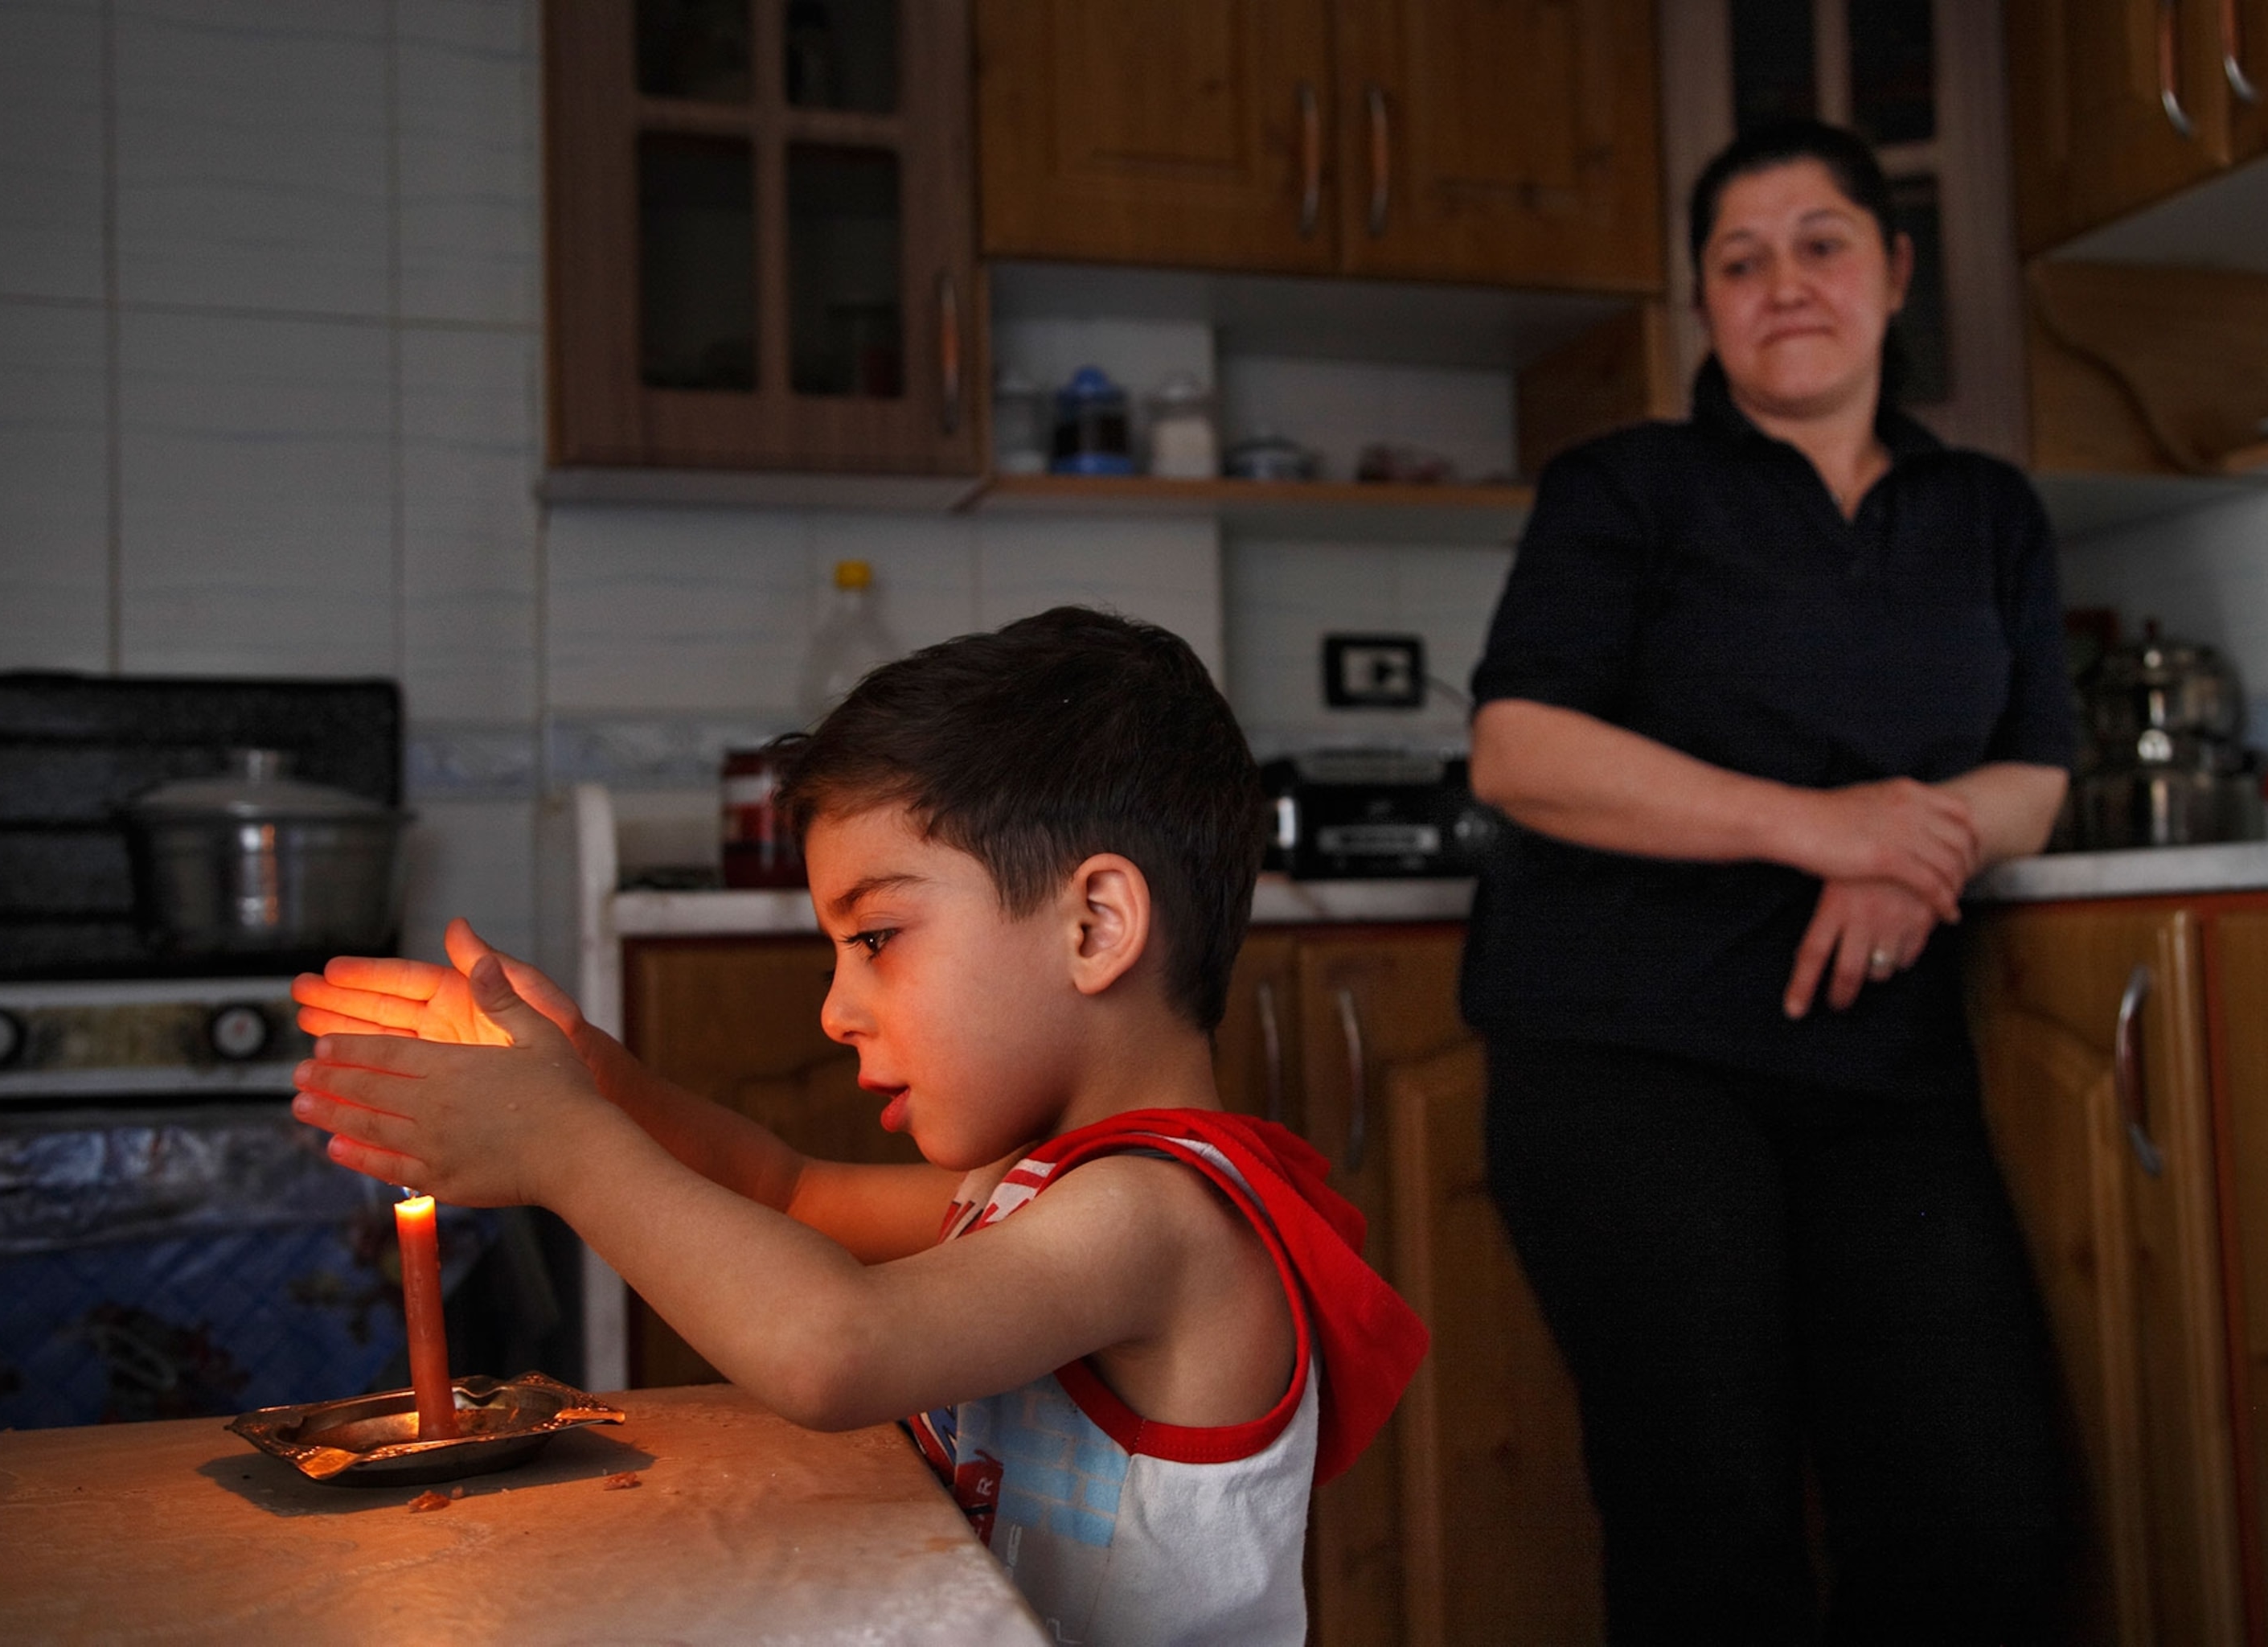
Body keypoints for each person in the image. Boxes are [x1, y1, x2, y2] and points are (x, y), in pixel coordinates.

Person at [287, 607, 1426, 1646]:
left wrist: (563, 1145)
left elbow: (834, 1349)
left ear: (1095, 925)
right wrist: (588, 1072)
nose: (836, 1010)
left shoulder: (1159, 1215)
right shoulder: (1037, 1186)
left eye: (875, 937)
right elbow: (783, 1189)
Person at [1463, 119, 2077, 1644]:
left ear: (1895, 271)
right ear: (1703, 306)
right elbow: (1520, 749)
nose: (1783, 283)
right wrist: (1821, 828)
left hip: (1885, 1071)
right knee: (1710, 1522)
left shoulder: (1990, 511)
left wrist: (1913, 837)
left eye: (1821, 244)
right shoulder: (1627, 487)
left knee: (1978, 1511)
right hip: (1629, 1054)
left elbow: (2039, 779)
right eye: (1740, 260)